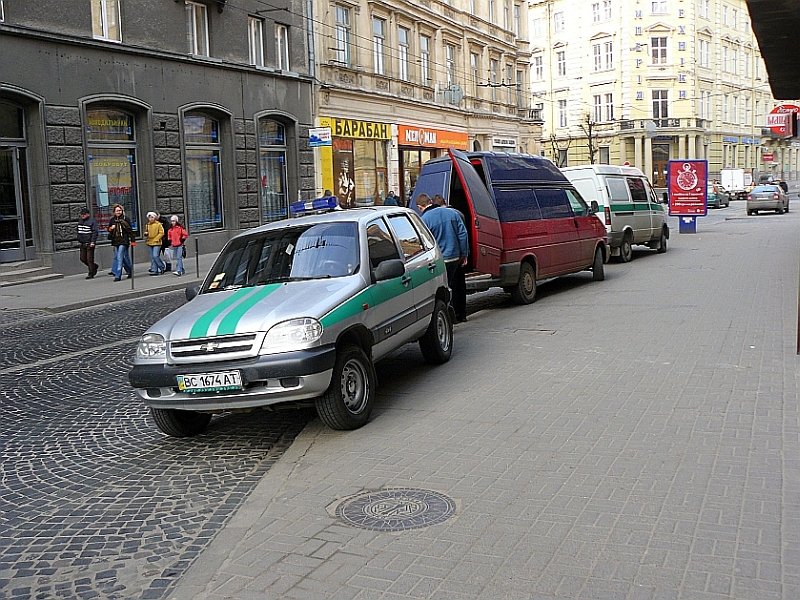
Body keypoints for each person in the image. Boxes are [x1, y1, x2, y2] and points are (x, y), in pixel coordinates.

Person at [417, 193, 469, 323]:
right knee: (459, 285)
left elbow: (424, 242)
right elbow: (463, 234)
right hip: (455, 256)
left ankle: (449, 318)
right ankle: (461, 314)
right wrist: (464, 254)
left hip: (440, 259)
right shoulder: (451, 213)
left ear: (420, 207)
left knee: (443, 289)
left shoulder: (424, 220)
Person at [107, 203, 134, 281]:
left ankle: (118, 274)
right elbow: (108, 230)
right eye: (117, 211)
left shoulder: (126, 219)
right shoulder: (112, 220)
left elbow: (130, 230)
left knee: (119, 257)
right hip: (116, 241)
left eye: (120, 210)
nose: (118, 212)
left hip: (124, 241)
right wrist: (111, 228)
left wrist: (133, 241)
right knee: (123, 258)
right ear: (114, 212)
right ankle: (130, 271)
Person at [76, 208, 99, 279]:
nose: (82, 215)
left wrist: (93, 242)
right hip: (82, 243)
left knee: (89, 259)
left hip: (89, 243)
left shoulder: (92, 221)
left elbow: (95, 232)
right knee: (82, 258)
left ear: (88, 214)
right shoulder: (80, 221)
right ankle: (94, 266)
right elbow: (78, 231)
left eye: (84, 214)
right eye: (81, 214)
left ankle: (91, 273)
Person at [144, 211, 166, 275]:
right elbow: (147, 232)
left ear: (155, 218)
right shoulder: (147, 225)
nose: (150, 219)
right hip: (150, 242)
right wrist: (146, 234)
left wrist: (157, 239)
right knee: (152, 257)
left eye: (152, 217)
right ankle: (154, 270)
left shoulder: (158, 224)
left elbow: (161, 232)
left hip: (157, 242)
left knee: (155, 255)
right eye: (149, 217)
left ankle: (162, 266)